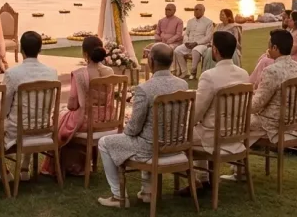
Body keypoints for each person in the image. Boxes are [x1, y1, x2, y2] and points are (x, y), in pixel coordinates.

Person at [97, 44, 188, 207]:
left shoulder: (145, 89)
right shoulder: (183, 85)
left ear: (151, 61)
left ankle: (118, 196)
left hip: (151, 148)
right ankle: (147, 191)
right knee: (146, 134)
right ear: (171, 62)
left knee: (104, 142)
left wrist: (126, 129)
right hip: (176, 145)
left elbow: (134, 128)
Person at [42, 36, 114, 177]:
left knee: (60, 120)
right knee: (65, 119)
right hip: (107, 119)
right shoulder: (110, 72)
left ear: (85, 54)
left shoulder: (80, 74)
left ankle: (67, 166)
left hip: (87, 121)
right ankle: (79, 164)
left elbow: (72, 105)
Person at [187, 31, 250, 192]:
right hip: (237, 133)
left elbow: (197, 111)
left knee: (182, 134)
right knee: (195, 129)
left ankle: (197, 181)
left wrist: (185, 125)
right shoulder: (243, 74)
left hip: (213, 135)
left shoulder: (209, 76)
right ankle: (203, 178)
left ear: (214, 50)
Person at [2, 31, 58, 180]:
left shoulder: (12, 74)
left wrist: (3, 117)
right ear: (40, 49)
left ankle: (5, 172)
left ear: (21, 50)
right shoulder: (52, 73)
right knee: (29, 115)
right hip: (44, 128)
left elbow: (4, 106)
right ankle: (24, 167)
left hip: (19, 130)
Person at [248, 30, 297, 144]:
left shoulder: (271, 71)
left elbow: (256, 105)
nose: (267, 49)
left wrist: (238, 106)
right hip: (293, 120)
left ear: (274, 47)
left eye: (269, 46)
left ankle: (232, 154)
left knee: (234, 120)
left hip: (272, 123)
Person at [250, 10, 297, 87]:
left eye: (290, 19)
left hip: (293, 59)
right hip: (291, 57)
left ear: (295, 22)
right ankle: (256, 82)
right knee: (264, 57)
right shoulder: (295, 31)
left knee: (264, 60)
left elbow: (289, 51)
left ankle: (256, 83)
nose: (287, 20)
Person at [173, 4, 214, 79]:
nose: (195, 11)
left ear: (203, 11)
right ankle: (184, 72)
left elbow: (208, 37)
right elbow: (186, 33)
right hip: (189, 43)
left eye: (197, 9)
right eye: (195, 9)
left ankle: (193, 72)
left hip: (202, 44)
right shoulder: (190, 21)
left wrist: (196, 43)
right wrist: (186, 42)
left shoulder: (208, 22)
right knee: (177, 50)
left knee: (195, 50)